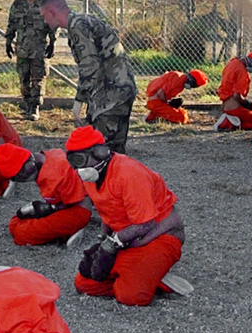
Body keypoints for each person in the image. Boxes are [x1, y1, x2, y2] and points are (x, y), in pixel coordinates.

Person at [64, 126, 187, 306]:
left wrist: (112, 244)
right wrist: (105, 239)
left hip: (157, 236)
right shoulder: (92, 176)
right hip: (130, 238)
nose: (78, 167)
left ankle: (151, 276)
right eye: (73, 161)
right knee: (84, 284)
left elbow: (146, 223)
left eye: (81, 159)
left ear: (101, 153)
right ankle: (143, 274)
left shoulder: (129, 173)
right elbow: (107, 209)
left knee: (131, 296)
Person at [40, 0, 137, 154]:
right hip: (122, 89)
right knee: (116, 153)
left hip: (110, 94)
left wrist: (79, 100)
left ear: (52, 12)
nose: (44, 21)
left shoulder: (77, 27)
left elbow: (89, 66)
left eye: (44, 16)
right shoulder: (83, 20)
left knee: (99, 151)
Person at [0, 143, 92, 247]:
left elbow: (71, 202)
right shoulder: (46, 157)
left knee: (22, 234)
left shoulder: (54, 176)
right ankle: (60, 231)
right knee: (14, 223)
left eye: (21, 174)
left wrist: (47, 209)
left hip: (77, 209)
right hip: (61, 204)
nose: (22, 178)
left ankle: (71, 230)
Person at [5, 0, 56, 121]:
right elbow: (12, 24)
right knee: (24, 78)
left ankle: (35, 107)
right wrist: (8, 41)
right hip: (22, 49)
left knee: (38, 79)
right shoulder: (18, 5)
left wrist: (53, 42)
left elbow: (53, 25)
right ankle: (27, 104)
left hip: (39, 50)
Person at [214, 51, 252, 131]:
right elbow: (237, 96)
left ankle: (232, 122)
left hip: (226, 106)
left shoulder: (232, 63)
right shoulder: (242, 72)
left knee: (249, 123)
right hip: (235, 108)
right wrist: (249, 105)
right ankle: (228, 122)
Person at [144, 69, 209, 124]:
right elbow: (160, 93)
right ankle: (159, 117)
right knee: (182, 118)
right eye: (194, 85)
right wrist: (168, 104)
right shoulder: (179, 80)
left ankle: (153, 116)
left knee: (182, 112)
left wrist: (171, 103)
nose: (192, 87)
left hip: (155, 102)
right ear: (191, 80)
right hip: (155, 102)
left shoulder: (180, 78)